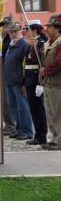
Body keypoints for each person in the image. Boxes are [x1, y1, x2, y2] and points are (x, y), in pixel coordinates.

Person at [3, 22, 33, 140]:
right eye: (11, 31)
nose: (13, 34)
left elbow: (25, 64)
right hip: (10, 80)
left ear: (20, 31)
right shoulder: (12, 44)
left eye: (15, 31)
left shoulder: (24, 44)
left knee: (22, 107)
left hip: (18, 81)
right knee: (14, 107)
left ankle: (27, 131)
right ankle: (19, 129)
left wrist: (24, 82)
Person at [23, 20, 48, 146]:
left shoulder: (41, 43)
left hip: (36, 80)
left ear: (34, 30)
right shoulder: (31, 44)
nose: (26, 32)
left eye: (27, 29)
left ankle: (41, 136)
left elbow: (40, 61)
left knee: (38, 109)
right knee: (33, 109)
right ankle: (37, 135)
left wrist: (40, 83)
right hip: (29, 80)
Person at [40, 15, 61, 151]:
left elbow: (59, 62)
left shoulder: (59, 43)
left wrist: (46, 71)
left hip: (57, 83)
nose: (47, 29)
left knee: (58, 113)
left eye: (49, 27)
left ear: (57, 28)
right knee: (50, 113)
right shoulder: (50, 42)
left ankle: (59, 141)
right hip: (48, 83)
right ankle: (53, 138)